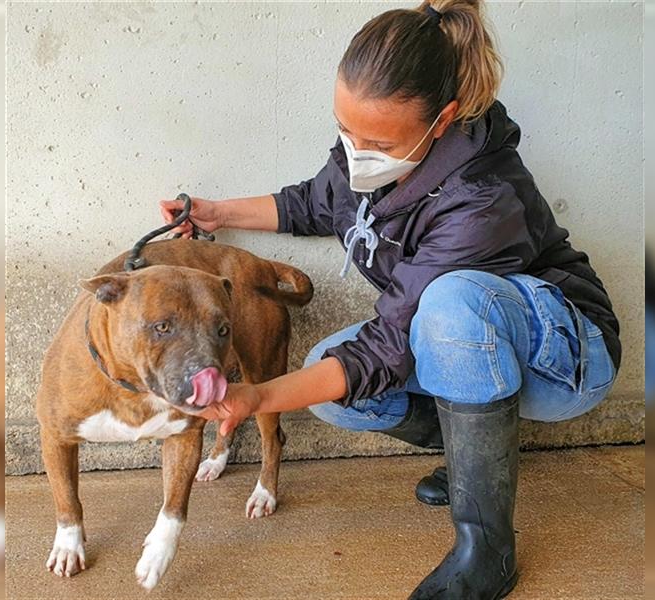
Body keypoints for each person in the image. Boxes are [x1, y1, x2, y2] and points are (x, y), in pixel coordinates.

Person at [159, 1, 621, 598]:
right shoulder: (374, 159)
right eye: (345, 129)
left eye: (375, 139)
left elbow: (387, 346)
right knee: (332, 381)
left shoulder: (482, 196)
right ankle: (475, 464)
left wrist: (259, 396)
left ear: (443, 120)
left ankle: (487, 552)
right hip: (481, 352)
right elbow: (312, 203)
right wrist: (214, 212)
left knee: (450, 303)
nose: (356, 150)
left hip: (568, 360)